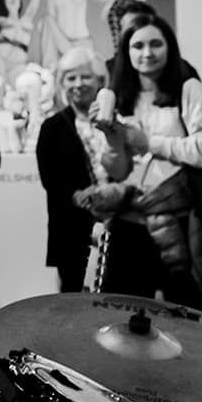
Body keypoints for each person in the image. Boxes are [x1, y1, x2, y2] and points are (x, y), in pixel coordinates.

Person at [92, 14, 202, 402]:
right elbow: (118, 170)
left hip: (178, 227)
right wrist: (113, 138)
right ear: (125, 54)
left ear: (169, 46)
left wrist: (148, 141)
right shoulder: (119, 98)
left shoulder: (189, 89)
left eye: (155, 44)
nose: (146, 53)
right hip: (131, 228)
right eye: (137, 46)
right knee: (120, 344)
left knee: (187, 346)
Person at [35, 48, 127, 291]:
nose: (78, 84)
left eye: (85, 77)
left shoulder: (119, 120)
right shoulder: (52, 126)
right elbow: (50, 178)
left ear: (99, 80)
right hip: (73, 229)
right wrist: (79, 196)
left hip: (122, 224)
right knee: (75, 302)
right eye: (71, 78)